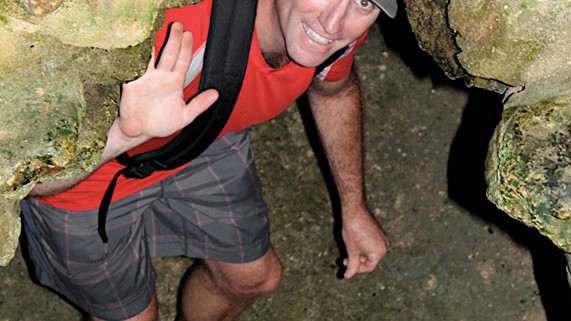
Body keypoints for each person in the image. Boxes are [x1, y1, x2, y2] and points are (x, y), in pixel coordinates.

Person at [20, 0, 395, 320]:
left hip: (201, 138)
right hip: (87, 184)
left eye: (364, 1)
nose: (332, 23)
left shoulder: (339, 34)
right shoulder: (179, 24)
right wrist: (125, 134)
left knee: (254, 278)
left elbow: (334, 93)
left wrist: (354, 209)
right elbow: (32, 182)